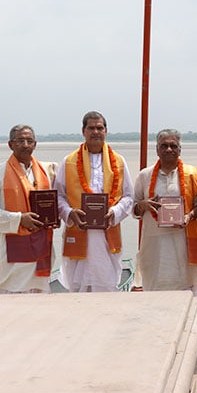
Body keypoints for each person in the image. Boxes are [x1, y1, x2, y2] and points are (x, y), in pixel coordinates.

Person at [55, 111, 134, 292]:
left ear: (106, 131)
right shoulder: (68, 161)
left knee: (106, 286)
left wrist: (114, 212)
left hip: (107, 231)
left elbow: (129, 196)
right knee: (77, 288)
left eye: (100, 128)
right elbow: (59, 196)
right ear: (83, 131)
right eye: (91, 128)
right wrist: (69, 213)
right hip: (79, 228)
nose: (96, 132)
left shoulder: (119, 161)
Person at [0, 124, 55, 294]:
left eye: (30, 141)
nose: (26, 145)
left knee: (36, 306)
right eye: (20, 141)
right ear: (10, 144)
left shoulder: (46, 172)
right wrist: (19, 219)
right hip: (9, 257)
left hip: (38, 253)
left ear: (35, 144)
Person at [133, 129, 197, 293]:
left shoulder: (192, 173)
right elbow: (133, 207)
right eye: (164, 146)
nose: (168, 150)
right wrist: (142, 205)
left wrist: (190, 215)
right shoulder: (145, 175)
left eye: (173, 146)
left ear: (180, 149)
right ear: (157, 149)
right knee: (153, 288)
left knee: (185, 288)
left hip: (182, 241)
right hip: (153, 244)